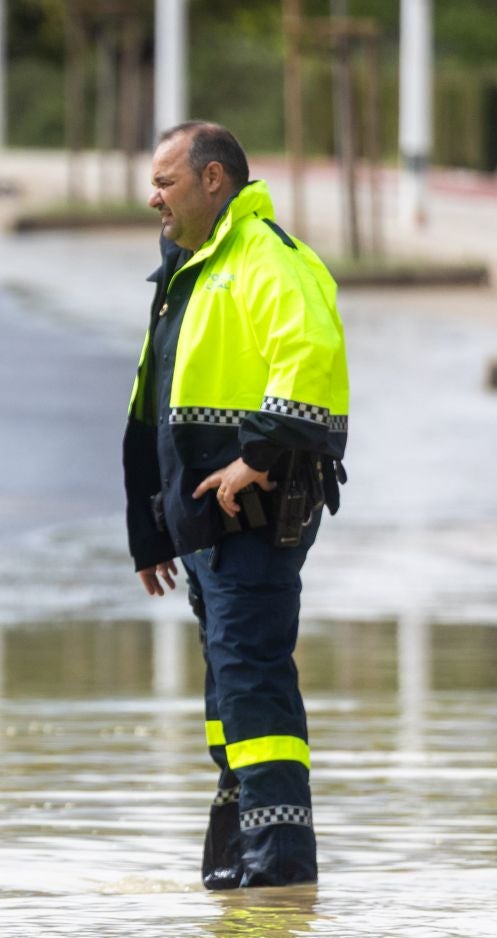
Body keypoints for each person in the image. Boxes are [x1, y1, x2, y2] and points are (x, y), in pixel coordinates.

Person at [122, 121, 349, 890]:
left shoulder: (264, 256)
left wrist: (256, 456)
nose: (152, 196)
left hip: (255, 515)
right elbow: (158, 405)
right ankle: (240, 854)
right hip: (205, 527)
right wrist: (153, 528)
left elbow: (310, 355)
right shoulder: (190, 268)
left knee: (251, 676)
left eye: (166, 181)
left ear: (214, 179)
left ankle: (279, 864)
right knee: (229, 683)